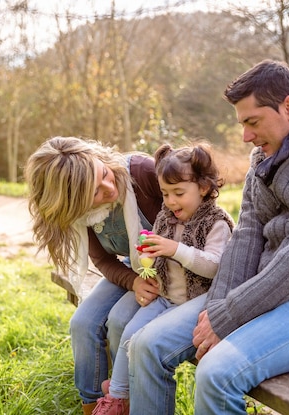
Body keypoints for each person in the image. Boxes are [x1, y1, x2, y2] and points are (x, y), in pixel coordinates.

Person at [127, 59, 289, 414]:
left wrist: (230, 315)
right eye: (242, 124)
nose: (245, 136)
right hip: (268, 296)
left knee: (216, 374)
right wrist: (218, 308)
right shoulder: (262, 161)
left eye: (252, 122)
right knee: (147, 345)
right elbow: (246, 238)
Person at [92, 143, 235, 415]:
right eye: (165, 194)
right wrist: (147, 255)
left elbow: (215, 266)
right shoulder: (166, 217)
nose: (170, 201)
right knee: (129, 335)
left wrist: (176, 250)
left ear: (203, 188)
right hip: (165, 298)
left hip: (193, 303)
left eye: (178, 193)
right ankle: (117, 398)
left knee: (143, 340)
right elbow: (157, 256)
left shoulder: (216, 222)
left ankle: (120, 396)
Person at [23, 136, 163, 415]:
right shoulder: (81, 215)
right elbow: (102, 259)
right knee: (83, 323)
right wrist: (132, 281)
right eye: (95, 193)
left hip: (170, 271)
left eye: (104, 175)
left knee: (120, 321)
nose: (109, 188)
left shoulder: (143, 174)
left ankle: (122, 399)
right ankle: (93, 406)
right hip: (135, 270)